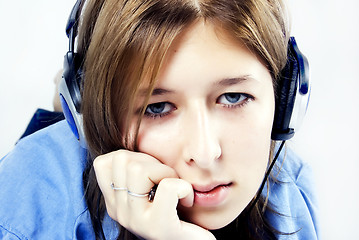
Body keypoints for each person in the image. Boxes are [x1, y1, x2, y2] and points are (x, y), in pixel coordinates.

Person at [0, 0, 319, 239]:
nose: (205, 153)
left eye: (233, 98)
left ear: (286, 98)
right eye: (157, 107)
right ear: (94, 114)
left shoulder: (291, 187)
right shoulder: (23, 205)